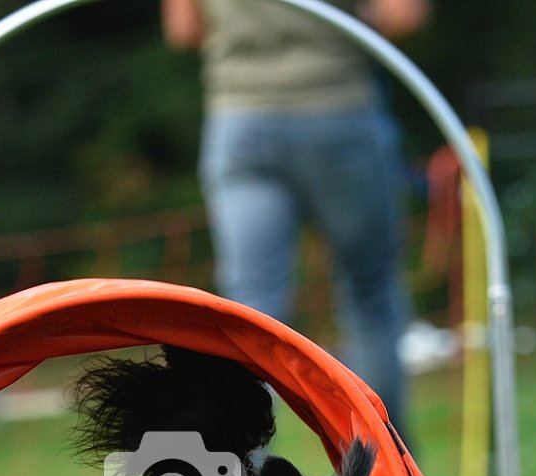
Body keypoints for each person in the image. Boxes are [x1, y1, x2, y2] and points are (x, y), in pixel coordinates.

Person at [162, 0, 429, 438]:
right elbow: (402, 15)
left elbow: (184, 29)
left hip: (240, 115)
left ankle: (239, 472)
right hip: (337, 111)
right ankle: (389, 470)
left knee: (249, 307)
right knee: (370, 298)